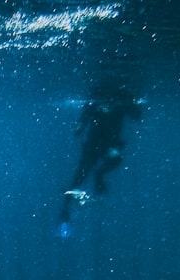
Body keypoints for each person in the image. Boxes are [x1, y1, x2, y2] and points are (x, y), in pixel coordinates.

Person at [58, 82, 143, 234]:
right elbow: (136, 114)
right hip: (98, 144)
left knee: (85, 173)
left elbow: (136, 114)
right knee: (81, 175)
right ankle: (65, 212)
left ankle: (67, 209)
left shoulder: (118, 99)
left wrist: (126, 102)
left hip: (105, 144)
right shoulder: (107, 99)